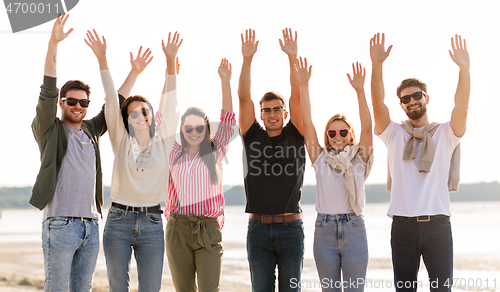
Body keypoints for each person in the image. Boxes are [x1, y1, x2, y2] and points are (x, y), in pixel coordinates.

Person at [370, 33, 470, 291]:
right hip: (402, 226)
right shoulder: (394, 133)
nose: (412, 101)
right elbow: (377, 105)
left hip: (438, 225)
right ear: (402, 105)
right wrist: (377, 64)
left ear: (427, 98)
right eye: (405, 99)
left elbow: (462, 106)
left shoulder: (445, 133)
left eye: (417, 95)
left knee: (442, 289)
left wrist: (464, 68)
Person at [85, 29, 181, 291]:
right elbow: (109, 100)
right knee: (118, 288)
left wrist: (170, 62)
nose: (140, 115)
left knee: (151, 288)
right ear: (126, 120)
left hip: (152, 223)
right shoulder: (121, 140)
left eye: (144, 111)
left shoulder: (163, 142)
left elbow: (170, 104)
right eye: (133, 113)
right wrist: (103, 60)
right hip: (118, 221)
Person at [30, 14, 106, 292]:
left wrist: (112, 64)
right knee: (57, 287)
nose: (78, 106)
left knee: (83, 288)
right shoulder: (50, 130)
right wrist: (53, 44)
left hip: (91, 224)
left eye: (83, 102)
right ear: (62, 102)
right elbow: (47, 91)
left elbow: (114, 105)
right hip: (60, 224)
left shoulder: (91, 130)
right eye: (71, 101)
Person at [295, 58, 373, 291]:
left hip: (354, 229)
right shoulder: (320, 159)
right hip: (324, 230)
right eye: (331, 131)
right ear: (327, 135)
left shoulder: (360, 158)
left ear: (350, 135)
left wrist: (360, 91)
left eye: (342, 131)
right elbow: (307, 123)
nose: (337, 135)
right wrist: (304, 85)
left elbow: (368, 128)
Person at [238, 28, 306, 292]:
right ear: (262, 115)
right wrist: (247, 59)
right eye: (267, 110)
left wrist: (292, 57)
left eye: (277, 109)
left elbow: (297, 95)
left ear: (284, 111)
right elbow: (244, 98)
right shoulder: (252, 135)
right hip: (258, 229)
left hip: (291, 228)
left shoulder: (295, 133)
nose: (272, 114)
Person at [163, 58, 236, 292]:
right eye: (188, 128)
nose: (194, 132)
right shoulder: (174, 151)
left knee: (209, 289)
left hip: (208, 229)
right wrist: (169, 76)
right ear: (182, 130)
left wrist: (225, 81)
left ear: (206, 129)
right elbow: (165, 115)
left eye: (199, 128)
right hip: (177, 229)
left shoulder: (216, 150)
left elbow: (228, 121)